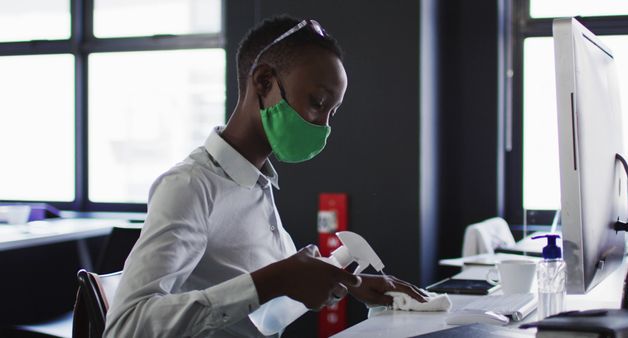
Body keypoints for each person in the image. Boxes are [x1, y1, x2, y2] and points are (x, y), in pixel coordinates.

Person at [104, 15, 425, 337]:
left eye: (332, 113)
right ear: (263, 82)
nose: (324, 126)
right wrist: (270, 281)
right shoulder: (190, 186)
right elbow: (125, 326)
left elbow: (276, 297)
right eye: (318, 103)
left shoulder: (257, 184)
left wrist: (352, 282)